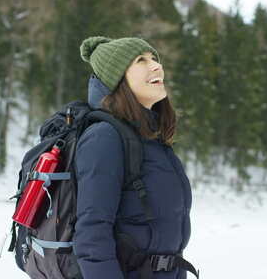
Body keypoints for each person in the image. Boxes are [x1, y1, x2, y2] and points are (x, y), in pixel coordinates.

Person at [74, 36, 195, 279]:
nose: (156, 66)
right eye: (141, 60)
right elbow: (92, 234)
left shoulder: (152, 139)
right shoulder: (104, 137)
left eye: (154, 59)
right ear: (118, 78)